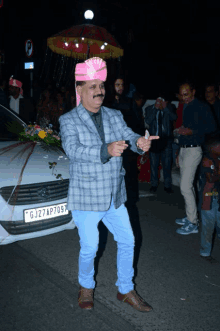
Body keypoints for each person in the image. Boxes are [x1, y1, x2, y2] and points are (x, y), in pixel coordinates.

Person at [59, 57, 159, 312]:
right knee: (90, 246)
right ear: (79, 89)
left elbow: (129, 134)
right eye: (92, 86)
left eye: (101, 85)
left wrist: (140, 143)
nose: (99, 91)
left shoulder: (115, 115)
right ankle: (86, 287)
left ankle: (125, 289)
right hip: (87, 196)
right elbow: (73, 150)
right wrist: (105, 150)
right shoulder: (69, 120)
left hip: (114, 195)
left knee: (128, 240)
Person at [175, 80, 216, 235]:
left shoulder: (202, 106)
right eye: (181, 95)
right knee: (187, 186)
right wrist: (179, 151)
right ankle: (190, 216)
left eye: (186, 94)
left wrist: (192, 131)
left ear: (193, 92)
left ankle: (193, 223)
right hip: (185, 149)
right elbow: (186, 129)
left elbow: (211, 127)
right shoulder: (186, 106)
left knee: (185, 186)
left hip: (195, 150)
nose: (184, 97)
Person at [145, 94, 177, 194]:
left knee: (167, 165)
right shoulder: (149, 108)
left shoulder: (170, 108)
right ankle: (154, 185)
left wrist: (165, 108)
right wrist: (155, 108)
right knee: (153, 165)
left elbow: (174, 117)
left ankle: (167, 185)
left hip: (166, 140)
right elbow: (148, 120)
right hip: (154, 140)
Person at [198, 136, 220, 263]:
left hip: (217, 197)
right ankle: (205, 252)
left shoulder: (217, 159)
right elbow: (211, 179)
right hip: (208, 199)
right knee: (208, 227)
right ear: (212, 148)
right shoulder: (207, 160)